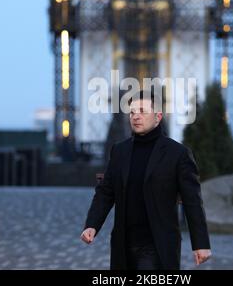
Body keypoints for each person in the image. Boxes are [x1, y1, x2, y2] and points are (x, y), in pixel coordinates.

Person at [81, 90, 211, 270]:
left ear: (158, 116)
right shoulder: (120, 151)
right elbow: (105, 192)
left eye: (142, 111)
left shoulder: (177, 154)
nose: (135, 116)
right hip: (123, 244)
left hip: (158, 245)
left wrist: (201, 243)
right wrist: (92, 225)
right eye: (132, 112)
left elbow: (192, 201)